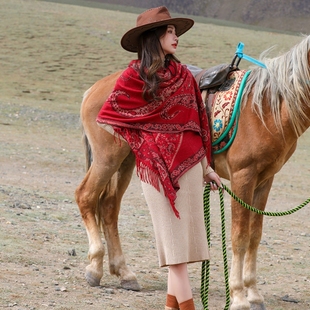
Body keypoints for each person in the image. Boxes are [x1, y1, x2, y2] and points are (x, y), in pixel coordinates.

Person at [96, 6, 221, 310]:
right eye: (169, 31)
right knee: (176, 257)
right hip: (156, 171)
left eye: (176, 31)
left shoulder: (184, 77)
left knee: (183, 251)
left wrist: (207, 169)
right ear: (153, 37)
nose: (176, 37)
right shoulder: (132, 76)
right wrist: (145, 142)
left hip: (191, 169)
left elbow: (197, 125)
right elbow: (109, 115)